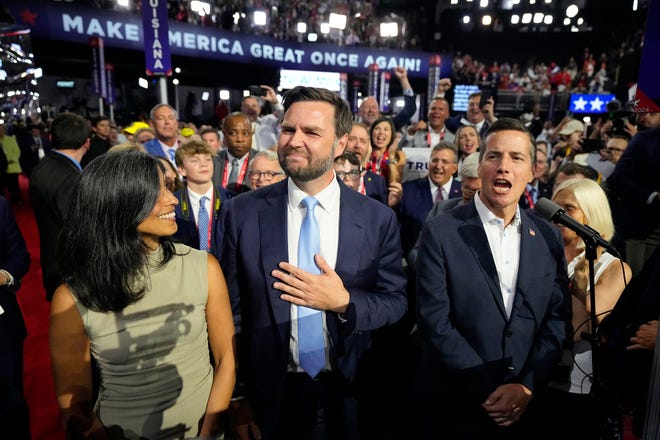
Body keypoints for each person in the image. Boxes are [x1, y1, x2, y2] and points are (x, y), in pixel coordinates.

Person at [220, 86, 407, 439]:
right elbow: (230, 313)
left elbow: (395, 302)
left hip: (349, 394)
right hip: (268, 396)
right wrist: (238, 394)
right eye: (289, 129)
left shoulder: (376, 218)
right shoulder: (241, 213)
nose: (294, 141)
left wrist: (345, 303)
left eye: (311, 132)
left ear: (341, 144)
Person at [50, 150, 236, 439]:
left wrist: (210, 431)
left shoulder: (203, 267)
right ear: (119, 202)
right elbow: (75, 402)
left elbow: (226, 359)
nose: (173, 199)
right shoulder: (71, 297)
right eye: (156, 191)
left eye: (168, 186)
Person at [414, 118, 571, 439]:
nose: (504, 167)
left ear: (532, 172)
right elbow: (434, 320)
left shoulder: (547, 235)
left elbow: (556, 319)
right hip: (455, 403)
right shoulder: (442, 230)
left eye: (516, 158)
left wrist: (525, 385)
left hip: (525, 407)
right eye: (494, 156)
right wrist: (491, 390)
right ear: (480, 165)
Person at [538, 177, 630, 439]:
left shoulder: (613, 267)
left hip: (573, 385)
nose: (558, 215)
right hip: (529, 376)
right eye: (555, 208)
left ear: (591, 215)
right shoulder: (538, 253)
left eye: (568, 209)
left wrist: (579, 288)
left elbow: (582, 329)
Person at [30, 113, 90, 301]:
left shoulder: (43, 166)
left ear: (50, 137)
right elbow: (79, 229)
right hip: (72, 273)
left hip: (55, 265)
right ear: (87, 143)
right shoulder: (69, 179)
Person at [606, 126, 660, 275]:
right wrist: (653, 195)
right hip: (642, 229)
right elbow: (619, 178)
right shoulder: (645, 139)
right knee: (635, 280)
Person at [396, 142, 461, 257]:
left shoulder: (463, 192)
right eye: (434, 160)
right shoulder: (408, 190)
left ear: (454, 168)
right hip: (414, 266)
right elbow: (398, 232)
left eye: (444, 162)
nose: (438, 165)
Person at [0, 195, 31, 438]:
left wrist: (4, 275)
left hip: (3, 330)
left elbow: (20, 254)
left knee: (12, 407)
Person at [173, 140, 233, 257]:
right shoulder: (173, 202)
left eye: (207, 159)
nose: (203, 164)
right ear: (182, 170)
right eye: (195, 160)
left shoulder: (231, 199)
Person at [346, 122, 393, 206]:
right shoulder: (329, 176)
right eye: (352, 139)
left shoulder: (378, 182)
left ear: (369, 147)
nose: (358, 145)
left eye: (363, 141)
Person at [358, 67, 416, 131]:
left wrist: (403, 79)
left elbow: (410, 109)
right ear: (359, 112)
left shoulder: (388, 126)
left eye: (374, 107)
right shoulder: (352, 129)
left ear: (378, 112)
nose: (371, 110)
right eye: (367, 107)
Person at [212, 112, 258, 194]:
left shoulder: (261, 161)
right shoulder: (212, 160)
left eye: (245, 133)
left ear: (252, 133)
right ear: (224, 134)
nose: (240, 139)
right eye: (233, 133)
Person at [240, 85, 283, 151]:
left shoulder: (269, 120)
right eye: (246, 106)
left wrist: (275, 102)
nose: (250, 109)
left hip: (270, 159)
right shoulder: (236, 125)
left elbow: (284, 117)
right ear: (241, 109)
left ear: (259, 109)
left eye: (254, 106)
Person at [366, 116, 405, 184]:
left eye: (386, 129)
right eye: (377, 129)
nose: (381, 132)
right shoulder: (364, 152)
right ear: (371, 133)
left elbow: (394, 184)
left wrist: (391, 156)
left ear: (392, 134)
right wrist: (367, 154)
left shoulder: (399, 155)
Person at [518, 144, 551, 210]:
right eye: (533, 162)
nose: (536, 166)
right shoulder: (516, 187)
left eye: (540, 162)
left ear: (546, 167)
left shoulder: (549, 191)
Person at [0, 124, 23, 205]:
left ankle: (17, 199)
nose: (1, 131)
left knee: (14, 185)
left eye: (2, 129)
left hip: (12, 166)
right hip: (1, 168)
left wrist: (10, 160)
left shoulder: (11, 139)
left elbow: (17, 151)